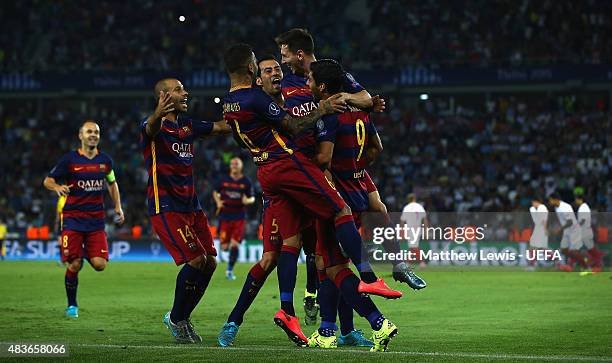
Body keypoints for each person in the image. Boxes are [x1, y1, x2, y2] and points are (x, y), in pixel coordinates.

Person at [221, 43, 400, 349]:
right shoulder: (264, 103)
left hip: (303, 177)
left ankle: (334, 326)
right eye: (267, 69)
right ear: (257, 78)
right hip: (292, 174)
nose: (276, 71)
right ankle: (236, 320)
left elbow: (333, 98)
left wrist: (362, 104)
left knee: (324, 259)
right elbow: (290, 124)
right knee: (273, 257)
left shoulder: (298, 95)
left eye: (277, 67)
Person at [276, 27, 425, 290]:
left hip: (340, 158)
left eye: (285, 55)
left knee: (376, 209)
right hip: (313, 163)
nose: (283, 61)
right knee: (315, 239)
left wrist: (348, 98)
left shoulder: (335, 76)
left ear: (300, 55)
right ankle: (316, 295)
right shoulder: (285, 86)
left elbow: (366, 99)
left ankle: (397, 266)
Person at [309, 59, 399, 351]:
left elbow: (323, 159)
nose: (307, 84)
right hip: (356, 192)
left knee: (331, 266)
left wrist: (301, 165)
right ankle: (333, 330)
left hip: (335, 198)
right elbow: (377, 148)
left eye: (311, 80)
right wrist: (358, 169)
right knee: (329, 262)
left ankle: (374, 322)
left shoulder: (329, 117)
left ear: (321, 87)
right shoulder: (361, 113)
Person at [141, 77, 230, 343]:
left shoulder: (188, 125)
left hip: (192, 205)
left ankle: (180, 316)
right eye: (179, 90)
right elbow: (151, 126)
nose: (185, 92)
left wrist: (246, 114)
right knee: (196, 260)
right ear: (164, 97)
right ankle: (177, 318)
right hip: (166, 206)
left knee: (210, 262)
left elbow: (220, 127)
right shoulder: (152, 128)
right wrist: (158, 111)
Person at [43, 120, 124, 319]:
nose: (93, 135)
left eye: (96, 132)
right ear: (80, 136)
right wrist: (57, 187)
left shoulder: (106, 162)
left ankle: (83, 251)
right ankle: (72, 305)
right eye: (89, 132)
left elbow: (112, 184)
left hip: (96, 221)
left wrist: (118, 207)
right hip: (72, 219)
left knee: (100, 265)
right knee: (74, 265)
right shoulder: (69, 160)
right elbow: (48, 180)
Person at [213, 157, 255, 280]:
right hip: (224, 216)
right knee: (225, 247)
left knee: (234, 245)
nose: (234, 165)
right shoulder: (223, 179)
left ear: (241, 166)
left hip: (239, 217)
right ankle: (228, 255)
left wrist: (247, 200)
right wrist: (218, 202)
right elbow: (215, 192)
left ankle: (229, 271)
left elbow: (252, 197)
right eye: (232, 164)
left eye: (236, 164)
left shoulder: (246, 182)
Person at [548, 193, 587, 271]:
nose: (549, 202)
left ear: (555, 199)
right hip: (567, 231)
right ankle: (579, 261)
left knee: (573, 252)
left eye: (550, 200)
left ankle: (585, 266)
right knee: (564, 250)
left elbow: (570, 222)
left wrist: (559, 229)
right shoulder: (557, 208)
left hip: (574, 230)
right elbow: (563, 220)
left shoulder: (565, 207)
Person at [575, 192, 603, 271]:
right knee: (589, 250)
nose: (575, 201)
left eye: (576, 200)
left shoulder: (583, 207)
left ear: (580, 200)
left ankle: (596, 264)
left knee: (589, 250)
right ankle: (595, 264)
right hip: (585, 231)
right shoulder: (584, 207)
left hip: (585, 232)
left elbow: (583, 220)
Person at [400, 194, 428, 268]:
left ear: (408, 200)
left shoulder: (406, 208)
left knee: (414, 246)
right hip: (418, 228)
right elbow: (425, 219)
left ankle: (422, 262)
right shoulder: (420, 207)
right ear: (415, 199)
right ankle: (408, 263)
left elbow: (402, 221)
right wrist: (426, 230)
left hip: (410, 229)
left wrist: (401, 231)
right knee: (412, 246)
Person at [527, 196, 548, 271]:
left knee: (533, 247)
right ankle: (558, 261)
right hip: (538, 229)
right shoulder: (535, 209)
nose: (532, 203)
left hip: (541, 229)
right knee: (541, 249)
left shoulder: (542, 208)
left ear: (537, 202)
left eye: (533, 202)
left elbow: (544, 220)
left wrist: (544, 229)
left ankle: (532, 266)